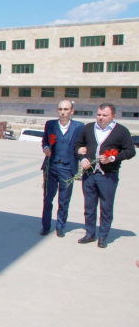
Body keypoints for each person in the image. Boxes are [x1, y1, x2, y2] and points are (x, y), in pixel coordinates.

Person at [74, 103, 135, 248]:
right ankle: (90, 233)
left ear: (113, 116)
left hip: (108, 176)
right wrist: (82, 158)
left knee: (106, 207)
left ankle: (103, 236)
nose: (101, 118)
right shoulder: (88, 128)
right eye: (99, 114)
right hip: (89, 175)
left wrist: (112, 158)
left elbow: (130, 151)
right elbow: (77, 146)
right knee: (89, 206)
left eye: (105, 115)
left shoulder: (121, 131)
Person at [39, 100, 84, 237]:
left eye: (66, 109)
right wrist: (46, 147)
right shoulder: (50, 124)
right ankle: (46, 226)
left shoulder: (79, 126)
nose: (63, 112)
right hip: (51, 166)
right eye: (60, 109)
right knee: (47, 198)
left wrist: (83, 151)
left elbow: (82, 143)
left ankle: (60, 226)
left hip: (67, 168)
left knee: (64, 200)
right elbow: (45, 141)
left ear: (72, 112)